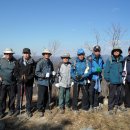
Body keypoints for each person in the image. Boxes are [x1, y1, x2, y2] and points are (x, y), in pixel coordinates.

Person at [14, 48, 36, 117]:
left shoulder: (32, 62)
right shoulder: (18, 61)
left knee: (29, 96)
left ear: (29, 54)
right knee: (19, 96)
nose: (26, 55)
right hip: (20, 82)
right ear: (23, 54)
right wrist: (19, 78)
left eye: (27, 53)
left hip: (29, 82)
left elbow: (33, 73)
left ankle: (28, 110)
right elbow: (15, 72)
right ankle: (18, 109)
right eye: (24, 53)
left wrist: (27, 78)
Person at [104, 47, 124, 115]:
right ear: (113, 52)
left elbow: (123, 70)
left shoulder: (122, 60)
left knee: (119, 94)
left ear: (120, 52)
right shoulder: (110, 60)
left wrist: (122, 78)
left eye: (118, 51)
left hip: (119, 81)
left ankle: (116, 105)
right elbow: (106, 71)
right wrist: (108, 80)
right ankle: (110, 108)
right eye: (115, 51)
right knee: (112, 95)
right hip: (112, 81)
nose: (116, 52)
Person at [35, 49, 55, 117]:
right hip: (41, 82)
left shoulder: (50, 62)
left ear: (49, 55)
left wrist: (53, 75)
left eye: (48, 54)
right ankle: (40, 109)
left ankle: (46, 107)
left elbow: (52, 71)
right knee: (41, 96)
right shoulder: (40, 62)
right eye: (46, 54)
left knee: (47, 95)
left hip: (48, 82)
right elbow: (37, 72)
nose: (47, 55)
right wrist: (43, 75)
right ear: (43, 54)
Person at [71, 49, 90, 114]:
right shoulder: (74, 62)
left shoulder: (87, 62)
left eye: (82, 54)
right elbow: (72, 72)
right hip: (76, 81)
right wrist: (74, 77)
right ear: (77, 55)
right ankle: (74, 108)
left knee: (85, 94)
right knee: (75, 94)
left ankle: (85, 107)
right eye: (79, 55)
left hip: (83, 80)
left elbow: (89, 71)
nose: (81, 56)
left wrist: (83, 76)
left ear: (84, 55)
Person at [0, 48, 17, 118]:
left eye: (10, 54)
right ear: (4, 54)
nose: (8, 55)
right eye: (7, 54)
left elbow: (17, 71)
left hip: (12, 83)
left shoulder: (15, 61)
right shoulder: (1, 60)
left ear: (12, 54)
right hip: (3, 83)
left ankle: (11, 110)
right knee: (2, 98)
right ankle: (1, 111)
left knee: (12, 97)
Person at [88, 45, 104, 112]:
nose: (97, 52)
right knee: (91, 92)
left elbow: (103, 66)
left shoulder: (101, 58)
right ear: (93, 51)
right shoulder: (90, 58)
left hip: (98, 78)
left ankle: (95, 105)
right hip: (92, 78)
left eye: (98, 51)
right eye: (96, 51)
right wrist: (98, 69)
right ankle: (91, 105)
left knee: (97, 92)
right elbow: (89, 68)